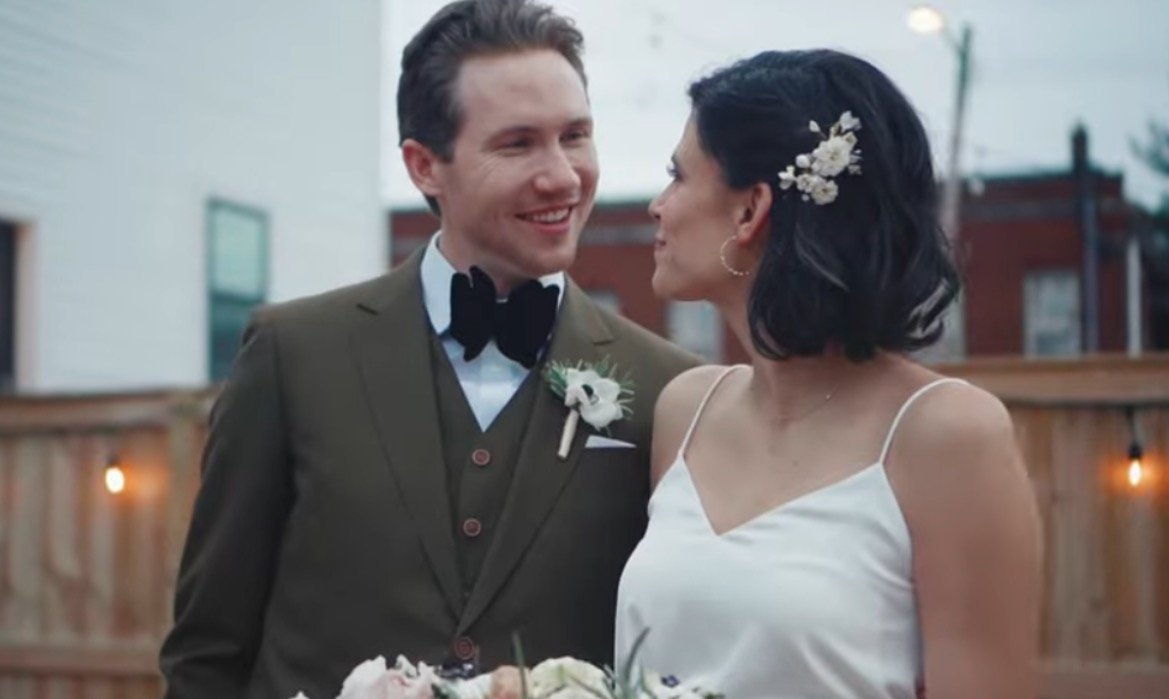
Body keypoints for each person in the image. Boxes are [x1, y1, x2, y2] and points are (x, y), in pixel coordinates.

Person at [159, 1, 699, 696]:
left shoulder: (672, 389)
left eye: (575, 136)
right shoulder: (292, 355)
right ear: (422, 166)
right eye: (517, 143)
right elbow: (207, 653)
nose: (562, 175)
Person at [615, 49, 1043, 699]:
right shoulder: (686, 409)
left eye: (677, 176)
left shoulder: (944, 433)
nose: (656, 205)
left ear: (749, 209)